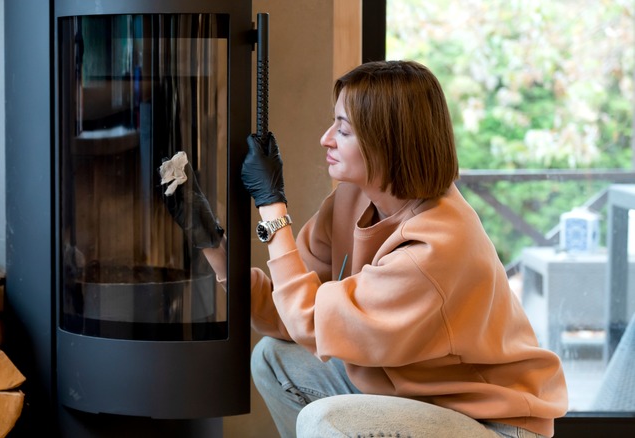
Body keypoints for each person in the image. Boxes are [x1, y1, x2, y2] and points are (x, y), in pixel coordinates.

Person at [239, 60, 568, 438]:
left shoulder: (436, 246)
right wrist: (212, 247)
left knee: (323, 420)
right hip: (415, 400)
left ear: (386, 142)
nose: (326, 138)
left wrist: (272, 206)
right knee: (274, 358)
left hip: (493, 423)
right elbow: (292, 312)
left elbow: (306, 319)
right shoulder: (350, 200)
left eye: (343, 130)